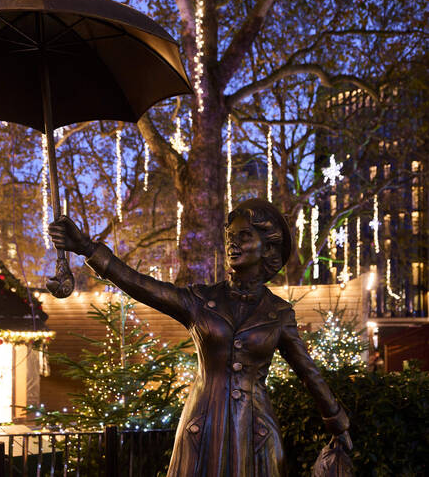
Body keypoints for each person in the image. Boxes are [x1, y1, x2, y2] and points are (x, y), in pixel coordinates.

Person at [49, 198, 351, 477]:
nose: (233, 243)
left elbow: (308, 372)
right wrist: (87, 248)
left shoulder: (279, 313)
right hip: (203, 426)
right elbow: (141, 285)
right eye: (230, 236)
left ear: (268, 248)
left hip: (255, 433)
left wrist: (338, 423)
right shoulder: (199, 301)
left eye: (244, 236)